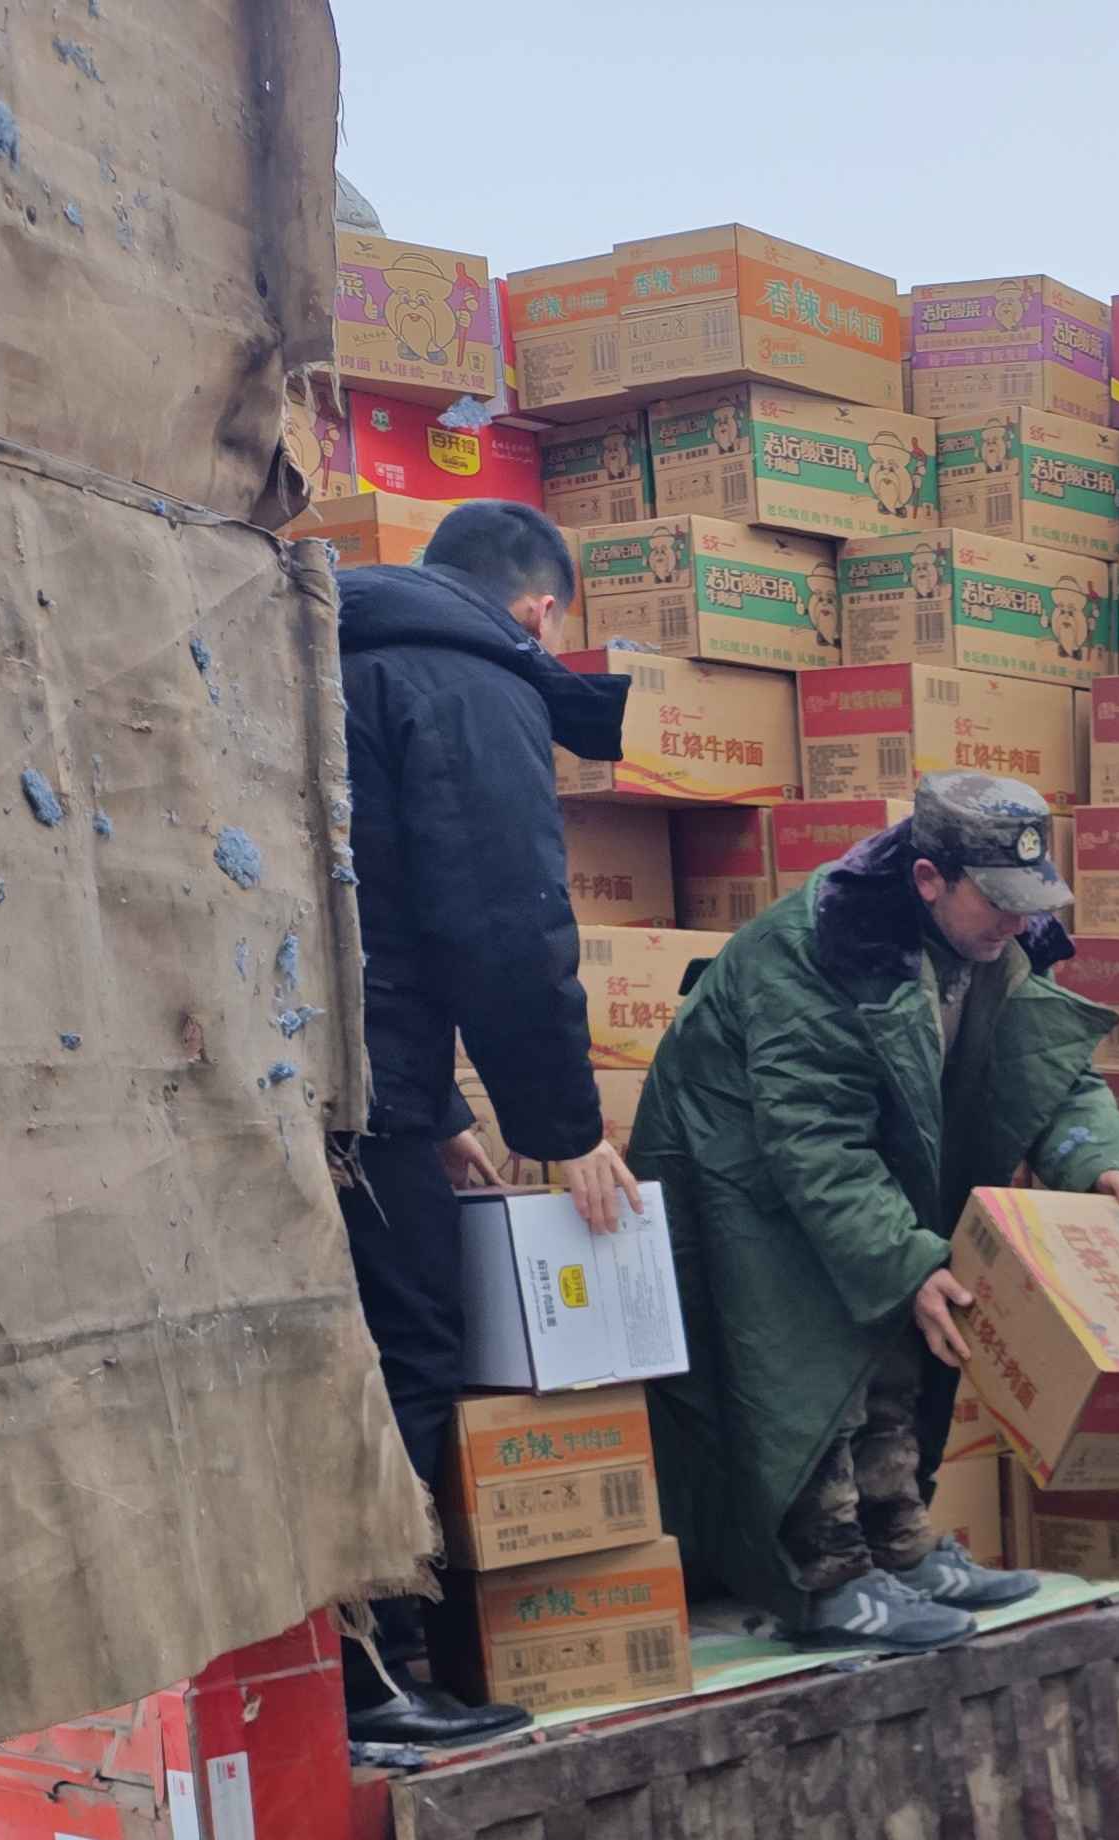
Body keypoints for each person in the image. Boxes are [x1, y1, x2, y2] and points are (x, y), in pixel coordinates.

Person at [631, 775, 1119, 1654]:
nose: (1017, 920)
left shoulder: (1003, 939)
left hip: (863, 1150)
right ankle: (826, 1575)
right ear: (928, 879)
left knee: (907, 1326)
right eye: (998, 901)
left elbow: (1051, 1070)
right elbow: (814, 1140)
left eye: (1029, 900)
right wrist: (906, 1263)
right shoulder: (819, 950)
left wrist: (1096, 1163)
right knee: (805, 1350)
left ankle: (897, 1542)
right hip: (741, 1163)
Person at [332, 499, 643, 1746]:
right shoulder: (469, 678)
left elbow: (369, 906)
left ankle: (339, 1673)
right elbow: (504, 922)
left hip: (295, 1079)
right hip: (358, 1104)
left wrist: (444, 1109)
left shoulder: (322, 650)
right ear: (539, 609)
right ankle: (372, 1680)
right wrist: (564, 1127)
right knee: (405, 1356)